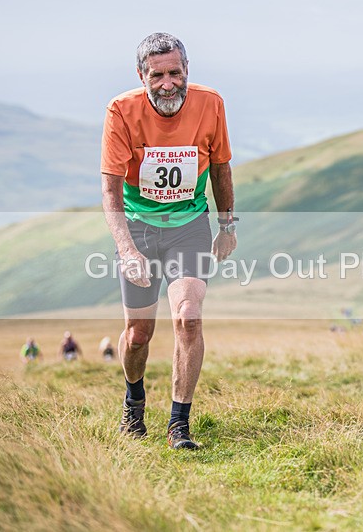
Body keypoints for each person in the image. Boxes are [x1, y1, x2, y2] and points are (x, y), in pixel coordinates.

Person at [101, 32, 236, 450]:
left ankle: (179, 423)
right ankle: (134, 399)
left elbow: (220, 168)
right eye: (157, 75)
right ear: (141, 75)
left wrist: (227, 226)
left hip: (189, 226)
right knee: (138, 333)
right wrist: (126, 250)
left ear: (187, 70)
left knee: (188, 317)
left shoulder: (210, 102)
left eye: (175, 73)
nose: (167, 83)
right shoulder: (121, 111)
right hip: (139, 227)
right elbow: (109, 191)